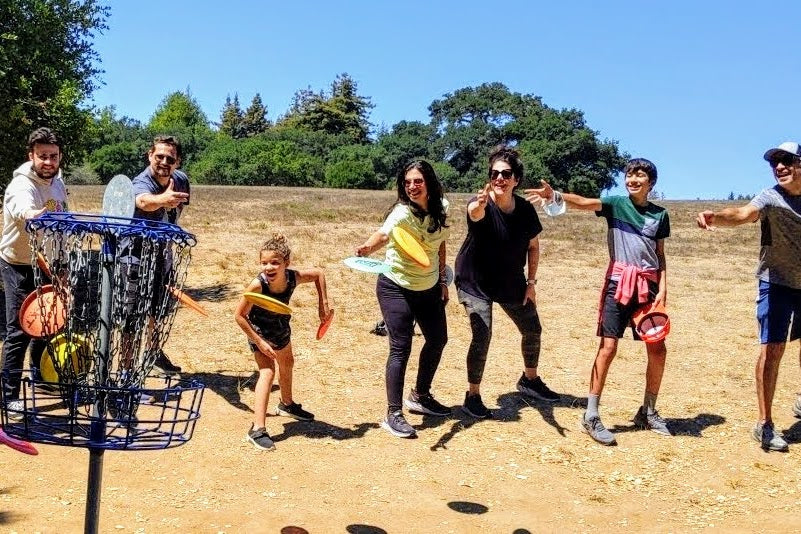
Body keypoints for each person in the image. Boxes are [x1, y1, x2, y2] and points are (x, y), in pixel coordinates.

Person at [526, 158, 671, 446]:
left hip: (648, 287)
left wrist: (663, 291)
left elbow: (660, 254)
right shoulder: (616, 204)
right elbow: (583, 202)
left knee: (658, 349)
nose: (633, 180)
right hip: (618, 283)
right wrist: (555, 196)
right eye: (629, 175)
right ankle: (591, 414)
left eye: (639, 175)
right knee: (608, 347)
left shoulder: (661, 215)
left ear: (650, 182)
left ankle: (648, 411)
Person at [696, 141, 801, 452]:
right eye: (775, 163)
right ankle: (765, 424)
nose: (779, 167)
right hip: (777, 282)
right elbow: (742, 213)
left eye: (787, 160)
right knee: (773, 351)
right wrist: (715, 217)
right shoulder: (770, 197)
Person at [454, 145, 559, 420]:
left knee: (532, 328)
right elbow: (474, 213)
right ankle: (472, 396)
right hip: (473, 280)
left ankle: (529, 380)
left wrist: (531, 282)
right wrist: (478, 205)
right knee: (482, 332)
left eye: (506, 174)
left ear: (516, 180)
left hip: (510, 279)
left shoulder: (524, 210)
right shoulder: (481, 204)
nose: (499, 178)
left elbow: (533, 247)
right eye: (494, 173)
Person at [355, 160, 451, 438]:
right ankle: (393, 413)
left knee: (438, 339)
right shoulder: (400, 214)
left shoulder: (443, 207)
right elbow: (383, 234)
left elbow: (439, 242)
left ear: (429, 183)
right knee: (401, 347)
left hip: (429, 284)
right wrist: (367, 247)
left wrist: (443, 280)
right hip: (395, 285)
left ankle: (420, 396)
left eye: (417, 181)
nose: (412, 187)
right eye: (407, 182)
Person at [234, 233, 331, 451]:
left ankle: (287, 404)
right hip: (259, 330)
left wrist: (322, 304)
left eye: (275, 262)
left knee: (287, 363)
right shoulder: (257, 286)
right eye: (264, 262)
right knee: (267, 372)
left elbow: (318, 273)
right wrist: (259, 342)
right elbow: (239, 316)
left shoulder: (293, 277)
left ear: (286, 263)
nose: (268, 267)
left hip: (280, 326)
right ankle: (257, 429)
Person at [0, 127, 69, 417]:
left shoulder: (58, 184)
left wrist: (62, 263)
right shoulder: (21, 183)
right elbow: (20, 207)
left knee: (48, 324)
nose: (48, 162)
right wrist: (31, 214)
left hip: (47, 264)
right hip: (18, 263)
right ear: (31, 156)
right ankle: (8, 396)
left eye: (53, 156)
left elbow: (64, 221)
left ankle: (42, 379)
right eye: (42, 156)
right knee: (18, 331)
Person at [128, 135, 190, 376]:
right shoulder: (141, 182)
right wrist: (162, 200)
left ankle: (153, 353)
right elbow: (143, 202)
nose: (164, 161)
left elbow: (177, 212)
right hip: (134, 257)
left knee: (158, 308)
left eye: (170, 158)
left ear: (177, 162)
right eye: (159, 156)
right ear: (149, 156)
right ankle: (127, 372)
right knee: (131, 318)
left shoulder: (181, 180)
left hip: (162, 255)